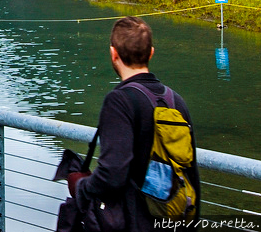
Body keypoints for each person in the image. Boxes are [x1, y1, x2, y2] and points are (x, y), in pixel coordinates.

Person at [71, 17, 200, 231]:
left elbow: (112, 174)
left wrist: (81, 187)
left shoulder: (119, 102)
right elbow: (191, 173)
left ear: (114, 53)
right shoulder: (176, 100)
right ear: (151, 53)